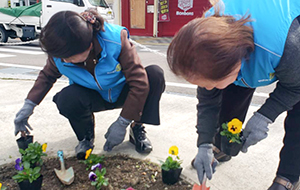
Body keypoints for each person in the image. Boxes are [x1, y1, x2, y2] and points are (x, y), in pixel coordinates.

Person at [167, 0, 300, 189]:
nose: (207, 88)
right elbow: (207, 99)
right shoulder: (205, 38)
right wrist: (204, 142)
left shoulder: (286, 46)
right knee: (226, 98)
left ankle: (288, 177)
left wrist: (265, 116)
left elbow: (295, 87)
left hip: (288, 37)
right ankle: (221, 147)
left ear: (235, 65)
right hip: (250, 49)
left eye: (210, 84)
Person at [14, 9, 165, 160]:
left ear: (89, 46)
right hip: (93, 96)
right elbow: (47, 76)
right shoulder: (61, 54)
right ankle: (86, 138)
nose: (65, 61)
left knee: (154, 76)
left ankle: (136, 127)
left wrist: (123, 122)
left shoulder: (115, 40)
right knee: (67, 98)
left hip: (123, 93)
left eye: (70, 57)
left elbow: (138, 82)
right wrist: (28, 106)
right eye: (61, 57)